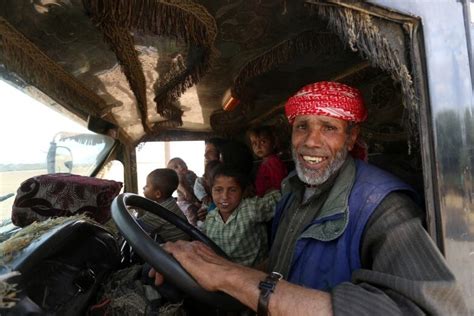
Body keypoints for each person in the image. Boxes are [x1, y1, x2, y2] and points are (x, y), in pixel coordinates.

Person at [149, 81, 466, 315]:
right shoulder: (292, 191)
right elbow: (279, 265)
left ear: (351, 137)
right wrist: (212, 267)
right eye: (302, 127)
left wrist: (231, 276)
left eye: (328, 127)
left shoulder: (383, 206)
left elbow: (426, 310)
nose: (311, 141)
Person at [202, 163, 281, 267]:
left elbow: (277, 197)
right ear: (211, 191)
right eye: (218, 190)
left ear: (243, 192)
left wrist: (270, 192)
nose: (225, 196)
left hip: (253, 272)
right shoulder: (210, 218)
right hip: (222, 272)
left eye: (232, 190)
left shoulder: (252, 208)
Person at [138, 168, 189, 242]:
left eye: (147, 186)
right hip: (184, 240)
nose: (143, 187)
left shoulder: (159, 211)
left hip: (175, 247)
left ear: (158, 194)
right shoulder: (170, 201)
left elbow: (140, 226)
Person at [247, 125, 288, 197]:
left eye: (263, 142)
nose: (258, 147)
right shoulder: (265, 162)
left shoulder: (273, 162)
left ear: (274, 142)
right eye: (254, 143)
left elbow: (278, 187)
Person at [167, 157, 200, 226]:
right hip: (185, 201)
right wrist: (185, 191)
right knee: (191, 213)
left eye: (182, 163)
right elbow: (181, 187)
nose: (180, 166)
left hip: (195, 198)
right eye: (176, 167)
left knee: (199, 212)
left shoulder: (191, 173)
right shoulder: (179, 177)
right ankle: (193, 228)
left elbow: (198, 182)